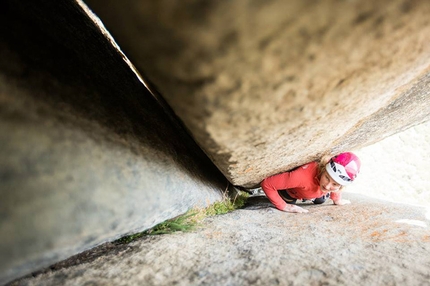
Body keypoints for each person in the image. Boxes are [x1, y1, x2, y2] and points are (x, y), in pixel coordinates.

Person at [260, 152, 361, 213]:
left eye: (335, 184)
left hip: (312, 192)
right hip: (291, 193)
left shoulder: (331, 183)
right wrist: (284, 206)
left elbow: (337, 183)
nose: (327, 186)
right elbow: (267, 184)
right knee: (290, 201)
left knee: (321, 200)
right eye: (326, 177)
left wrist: (337, 200)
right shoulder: (301, 177)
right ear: (324, 168)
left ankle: (317, 195)